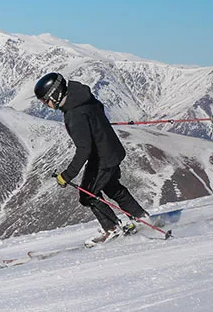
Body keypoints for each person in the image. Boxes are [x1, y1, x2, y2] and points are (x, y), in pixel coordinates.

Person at [35, 72, 150, 247]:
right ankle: (140, 217)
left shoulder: (74, 114)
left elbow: (84, 150)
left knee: (88, 194)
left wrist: (66, 175)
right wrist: (96, 125)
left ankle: (112, 228)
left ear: (55, 94)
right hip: (112, 150)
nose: (45, 104)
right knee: (113, 188)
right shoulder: (82, 97)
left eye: (45, 100)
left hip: (101, 158)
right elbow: (99, 109)